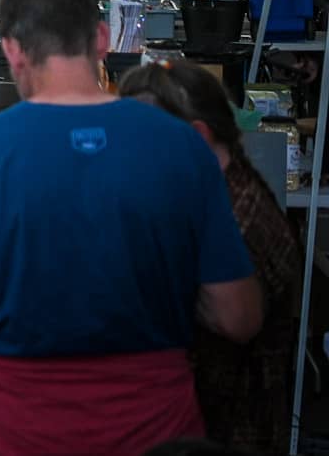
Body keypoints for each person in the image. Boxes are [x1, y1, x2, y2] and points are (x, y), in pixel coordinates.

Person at [0, 0, 262, 456]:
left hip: (13, 425)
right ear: (101, 38)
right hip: (154, 423)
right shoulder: (181, 146)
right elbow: (239, 316)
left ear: (10, 49)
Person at [118, 59, 300, 452]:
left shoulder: (239, 215)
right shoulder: (207, 193)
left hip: (228, 435)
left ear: (197, 136)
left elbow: (226, 325)